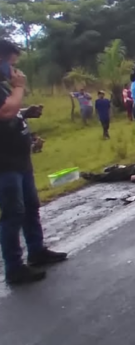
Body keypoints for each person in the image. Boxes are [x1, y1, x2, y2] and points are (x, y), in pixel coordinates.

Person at [0, 40, 67, 285]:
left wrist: (26, 111)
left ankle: (36, 251)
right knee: (13, 213)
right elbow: (5, 112)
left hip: (20, 159)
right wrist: (19, 88)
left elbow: (10, 111)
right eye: (11, 64)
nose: (14, 70)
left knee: (30, 207)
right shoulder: (8, 87)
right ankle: (14, 267)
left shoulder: (3, 88)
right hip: (4, 163)